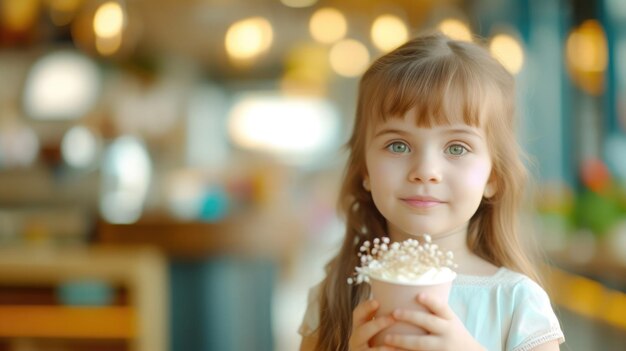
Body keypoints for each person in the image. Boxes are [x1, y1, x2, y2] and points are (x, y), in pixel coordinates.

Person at [298, 32, 565, 351]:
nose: (425, 170)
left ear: (493, 175)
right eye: (398, 145)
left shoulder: (517, 303)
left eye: (456, 147)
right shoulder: (333, 297)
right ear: (364, 170)